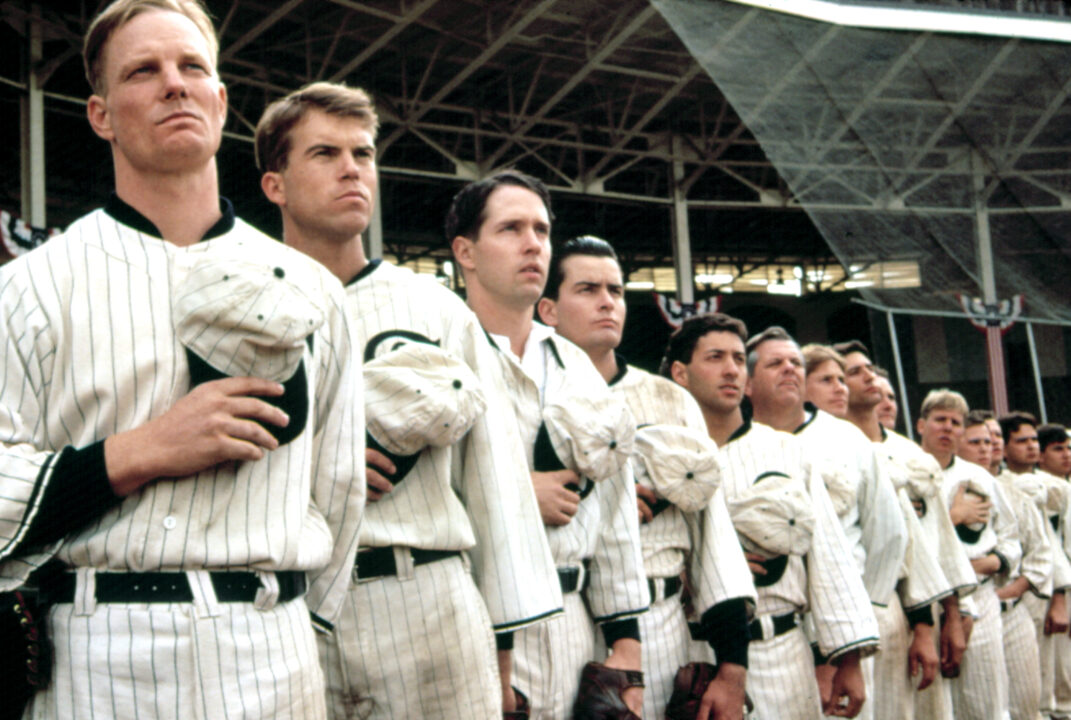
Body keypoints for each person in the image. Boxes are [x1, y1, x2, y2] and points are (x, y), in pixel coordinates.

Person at [0, 2, 365, 718]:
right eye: (144, 71)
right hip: (99, 647)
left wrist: (302, 624)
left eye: (192, 66)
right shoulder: (31, 284)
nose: (174, 83)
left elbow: (338, 488)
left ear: (220, 101)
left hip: (274, 643)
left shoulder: (314, 289)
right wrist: (138, 452)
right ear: (102, 116)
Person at [255, 84, 561, 718]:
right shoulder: (244, 303)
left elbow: (495, 488)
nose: (351, 169)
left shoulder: (435, 308)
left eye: (363, 154)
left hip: (425, 594)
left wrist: (502, 662)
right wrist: (317, 469)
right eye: (323, 153)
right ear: (274, 185)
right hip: (285, 604)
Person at [446, 171, 649, 718]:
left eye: (541, 229)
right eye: (511, 228)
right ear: (465, 250)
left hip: (575, 618)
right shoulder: (436, 348)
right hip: (470, 617)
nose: (533, 243)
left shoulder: (575, 363)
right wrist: (512, 495)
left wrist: (625, 642)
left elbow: (615, 512)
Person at [537, 235, 756, 719]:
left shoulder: (668, 399)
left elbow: (712, 536)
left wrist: (732, 668)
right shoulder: (525, 390)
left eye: (615, 291)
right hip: (559, 614)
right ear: (549, 309)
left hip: (659, 621)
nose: (607, 302)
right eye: (588, 289)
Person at [664, 314, 880, 720]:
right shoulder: (659, 456)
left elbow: (829, 557)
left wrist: (847, 659)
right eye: (714, 357)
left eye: (737, 359)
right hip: (691, 652)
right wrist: (709, 572)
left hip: (780, 647)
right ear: (680, 372)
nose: (730, 369)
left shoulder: (787, 451)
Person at [748, 329, 909, 720]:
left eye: (796, 363)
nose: (789, 369)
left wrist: (849, 633)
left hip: (841, 634)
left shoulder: (846, 438)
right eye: (775, 363)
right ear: (749, 383)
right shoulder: (736, 442)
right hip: (764, 632)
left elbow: (888, 535)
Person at [836, 342, 975, 720]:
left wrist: (951, 615)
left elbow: (938, 541)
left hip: (913, 607)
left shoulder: (913, 455)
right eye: (853, 372)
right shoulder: (831, 449)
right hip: (852, 605)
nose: (869, 377)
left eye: (870, 368)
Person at [917, 390, 1021, 720]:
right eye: (939, 420)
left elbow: (1011, 539)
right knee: (930, 703)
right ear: (921, 425)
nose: (947, 428)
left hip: (979, 594)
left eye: (955, 422)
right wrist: (953, 517)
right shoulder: (905, 469)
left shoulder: (978, 477)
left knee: (985, 700)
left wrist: (991, 563)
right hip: (925, 601)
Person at [996, 412, 1071, 720]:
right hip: (1018, 592)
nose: (1030, 447)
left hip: (1046, 590)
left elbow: (1051, 546)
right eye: (1021, 441)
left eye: (1033, 441)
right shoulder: (999, 485)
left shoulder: (1047, 487)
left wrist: (1059, 596)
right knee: (1034, 681)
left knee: (1057, 678)